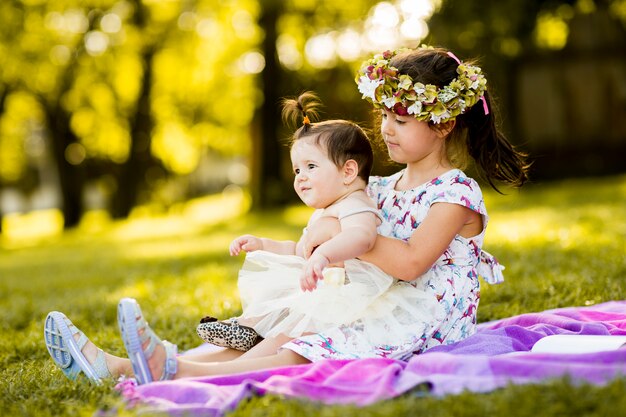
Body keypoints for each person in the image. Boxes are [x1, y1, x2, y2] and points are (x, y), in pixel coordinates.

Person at [43, 45, 529, 386]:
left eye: (400, 120)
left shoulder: (455, 194)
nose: (385, 130)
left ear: (442, 123)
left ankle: (173, 371)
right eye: (383, 117)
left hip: (420, 319)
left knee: (301, 345)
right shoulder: (381, 185)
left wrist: (352, 235)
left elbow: (408, 264)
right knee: (279, 326)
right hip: (369, 298)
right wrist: (319, 233)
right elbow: (331, 225)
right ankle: (125, 365)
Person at [196, 91, 399, 350]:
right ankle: (248, 326)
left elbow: (362, 237)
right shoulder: (324, 212)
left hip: (349, 298)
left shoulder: (355, 203)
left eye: (311, 167)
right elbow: (297, 250)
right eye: (297, 170)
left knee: (290, 299)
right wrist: (262, 244)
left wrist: (324, 255)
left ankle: (252, 330)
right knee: (282, 285)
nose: (300, 177)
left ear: (348, 171)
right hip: (323, 290)